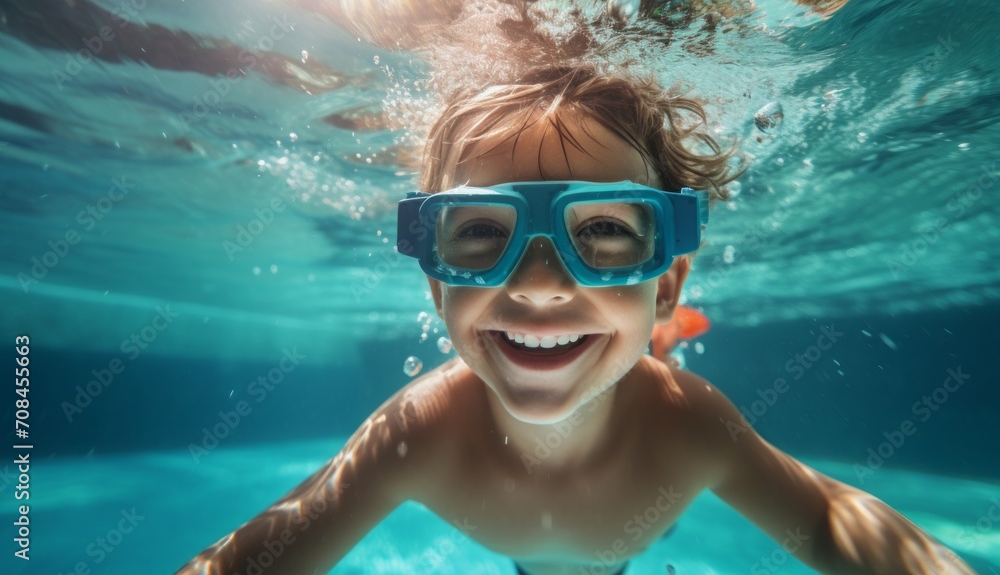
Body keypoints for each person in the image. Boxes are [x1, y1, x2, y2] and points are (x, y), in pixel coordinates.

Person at [176, 65, 975, 575]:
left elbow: (830, 520)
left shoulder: (685, 427)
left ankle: (657, 342)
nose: (539, 285)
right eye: (480, 231)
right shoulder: (414, 435)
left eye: (601, 230)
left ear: (667, 283)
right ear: (436, 288)